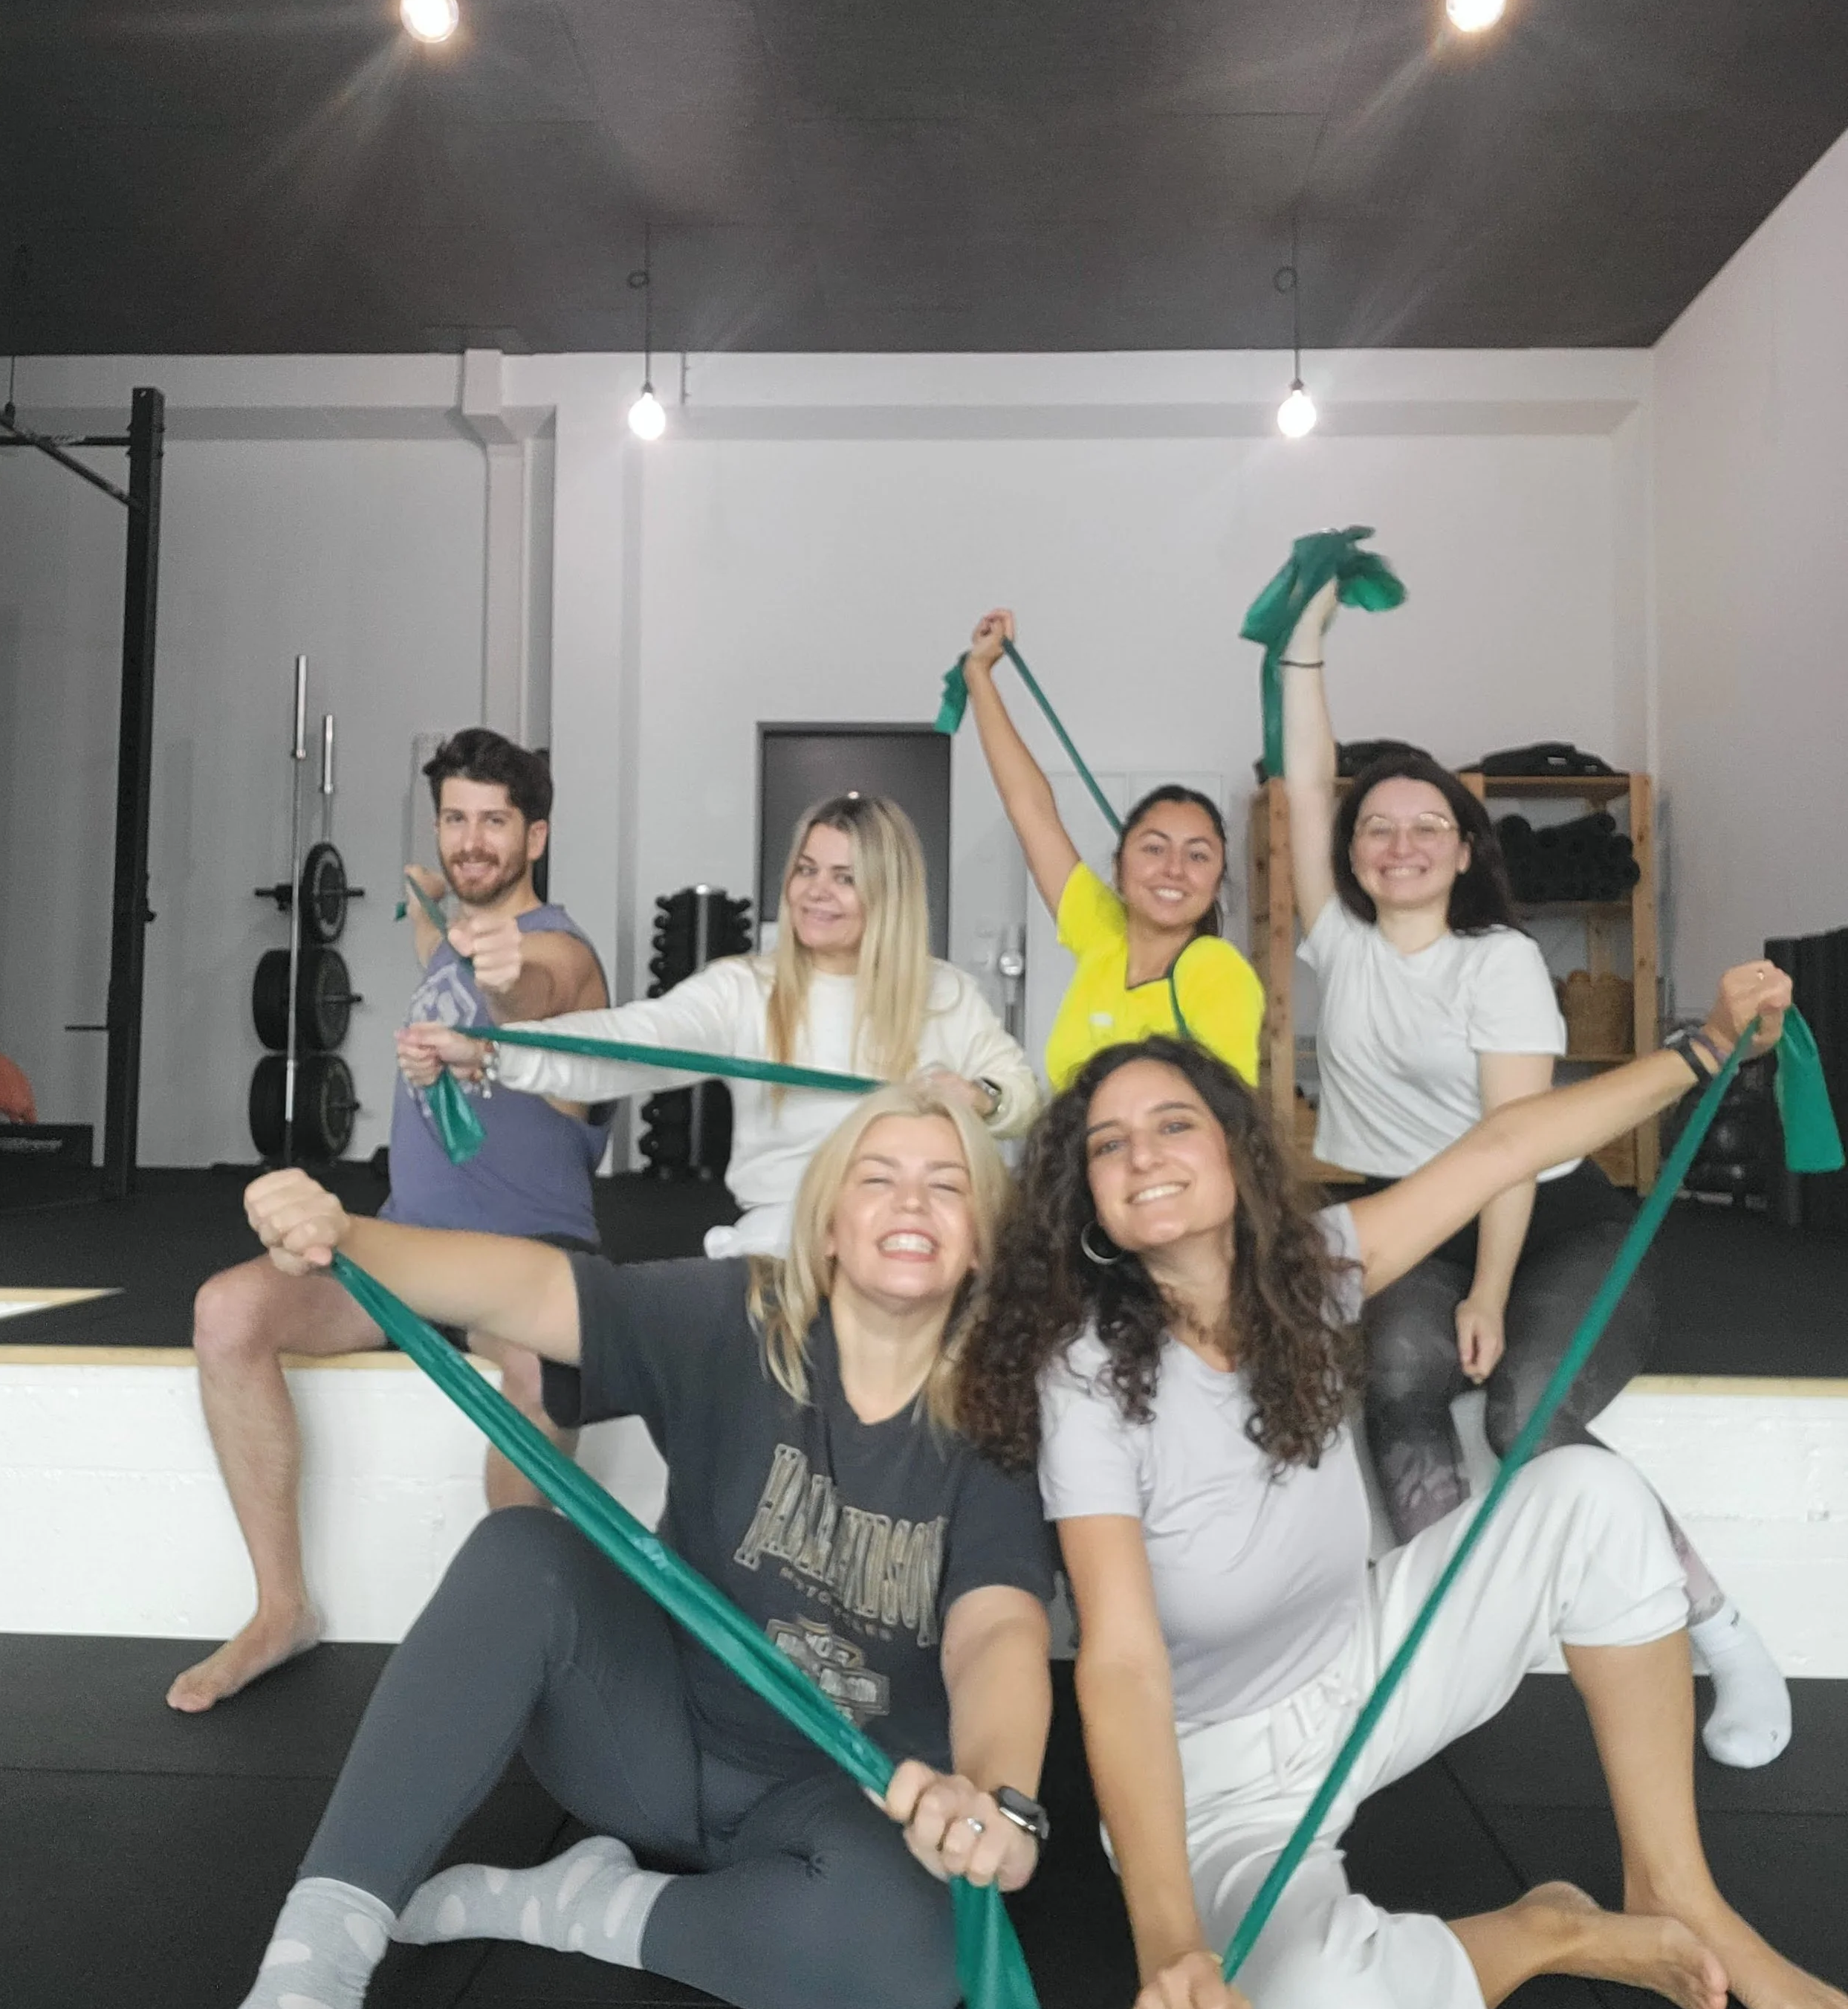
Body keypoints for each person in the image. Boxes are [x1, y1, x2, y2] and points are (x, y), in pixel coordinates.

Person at [85, 1086, 1056, 2009]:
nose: (912, 1200)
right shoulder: (736, 1315)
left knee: (909, 1962)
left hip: (842, 1799)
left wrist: (998, 1794)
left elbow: (998, 1626)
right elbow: (525, 1286)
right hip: (648, 1744)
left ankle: (576, 1908)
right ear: (831, 1220)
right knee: (521, 1555)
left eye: (947, 1184)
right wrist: (348, 1235)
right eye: (879, 1176)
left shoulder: (998, 1416)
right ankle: (300, 2000)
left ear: (981, 1235)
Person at [953, 971, 1848, 2009]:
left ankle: (1676, 1889)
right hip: (1216, 1783)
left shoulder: (1314, 1272)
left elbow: (1502, 1146)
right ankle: (1551, 1931)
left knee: (1593, 1500)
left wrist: (1703, 1050)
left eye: (1174, 1123)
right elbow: (1123, 1663)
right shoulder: (1086, 1377)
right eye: (1108, 1145)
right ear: (1086, 1202)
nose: (1143, 1155)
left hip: (1363, 1662)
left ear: (1234, 1152)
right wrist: (1168, 1945)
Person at [1277, 589, 1788, 1766]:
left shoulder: (1499, 960)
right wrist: (1304, 642)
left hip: (1544, 1214)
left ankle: (1718, 1621)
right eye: (1375, 828)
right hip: (1403, 1213)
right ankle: (1455, 1642)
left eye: (1426, 827)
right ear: (1351, 854)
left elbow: (1511, 1145)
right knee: (1397, 1387)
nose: (1397, 843)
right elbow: (1305, 777)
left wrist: (1491, 1294)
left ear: (1466, 851)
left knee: (1523, 1408)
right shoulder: (1337, 941)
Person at [167, 730, 609, 1714]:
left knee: (541, 1377)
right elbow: (438, 936)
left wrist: (499, 971)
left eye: (495, 821)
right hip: (406, 1248)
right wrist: (429, 912)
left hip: (525, 1267)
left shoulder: (562, 953)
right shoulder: (448, 940)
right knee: (228, 1312)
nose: (472, 840)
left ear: (535, 834)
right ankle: (281, 1608)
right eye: (456, 818)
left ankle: (517, 1640)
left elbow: (529, 985)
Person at [401, 792, 1040, 1259]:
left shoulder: (944, 993)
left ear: (890, 893)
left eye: (845, 878)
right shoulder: (745, 990)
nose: (816, 892)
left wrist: (980, 1097)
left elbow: (1020, 1093)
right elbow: (627, 1042)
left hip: (909, 1248)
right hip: (782, 1251)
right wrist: (494, 1051)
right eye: (807, 870)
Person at [957, 609, 1263, 1090]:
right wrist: (978, 674)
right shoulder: (1102, 935)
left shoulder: (1218, 971)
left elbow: (1226, 1119)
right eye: (1154, 848)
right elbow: (1030, 808)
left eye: (1198, 855)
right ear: (1120, 869)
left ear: (1218, 881)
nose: (1174, 869)